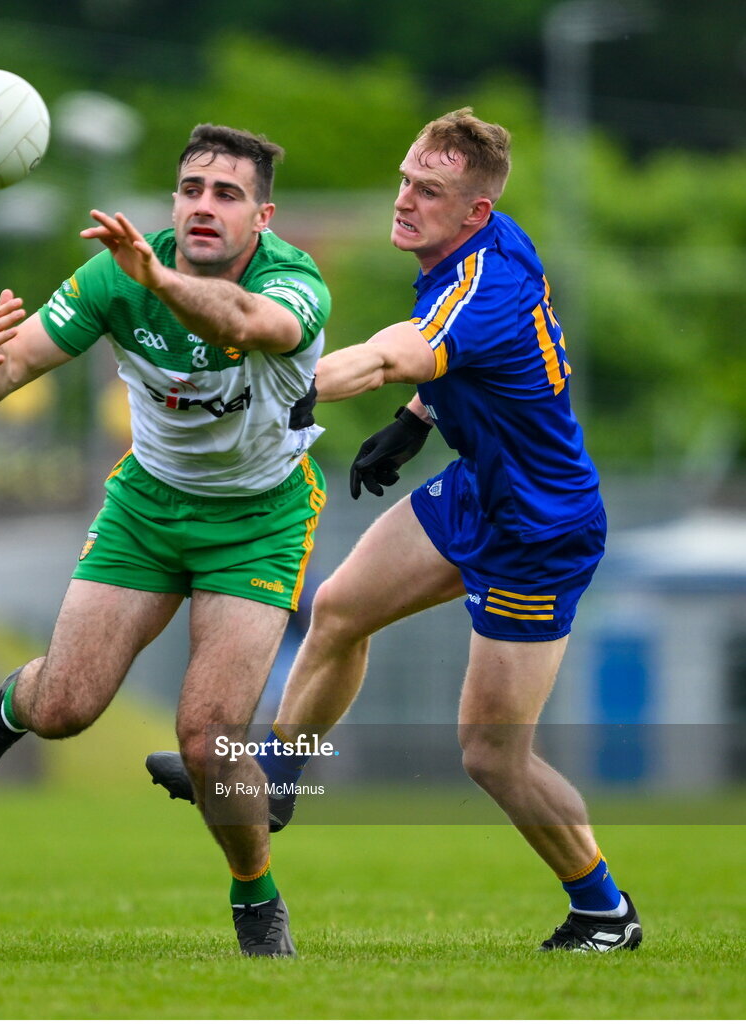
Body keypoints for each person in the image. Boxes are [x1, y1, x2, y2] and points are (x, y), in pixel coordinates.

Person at [148, 108, 642, 953]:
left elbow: (386, 353)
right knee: (338, 608)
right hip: (477, 492)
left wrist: (290, 383)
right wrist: (417, 420)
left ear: (474, 212)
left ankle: (603, 911)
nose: (406, 198)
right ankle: (279, 777)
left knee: (491, 756)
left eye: (431, 190)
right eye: (407, 176)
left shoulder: (485, 281)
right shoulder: (474, 249)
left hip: (538, 529)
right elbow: (451, 358)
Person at [0, 123, 331, 959]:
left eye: (227, 195)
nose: (202, 206)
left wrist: (154, 275)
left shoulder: (293, 280)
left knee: (209, 741)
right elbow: (4, 376)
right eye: (191, 189)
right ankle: (15, 704)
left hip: (260, 520)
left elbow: (249, 324)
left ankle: (255, 900)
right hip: (146, 508)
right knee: (66, 710)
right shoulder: (115, 276)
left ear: (263, 217)